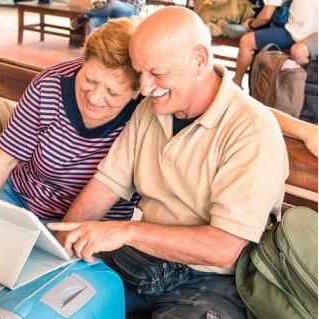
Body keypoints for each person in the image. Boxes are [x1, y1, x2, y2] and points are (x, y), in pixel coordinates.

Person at [48, 7, 291, 318]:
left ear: (200, 60)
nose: (145, 88)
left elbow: (222, 248)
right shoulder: (153, 108)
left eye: (157, 73)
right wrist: (60, 250)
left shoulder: (252, 129)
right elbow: (105, 184)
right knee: (48, 304)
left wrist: (127, 232)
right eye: (140, 73)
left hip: (212, 281)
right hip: (142, 262)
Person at [0, 17, 143, 221]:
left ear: (139, 90)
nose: (94, 97)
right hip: (22, 201)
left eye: (112, 92)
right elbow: (2, 162)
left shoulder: (145, 111)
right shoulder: (49, 85)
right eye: (90, 80)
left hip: (94, 225)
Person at [232, 0, 318, 87]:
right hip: (314, 36)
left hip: (296, 33)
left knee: (246, 41)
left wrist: (250, 24)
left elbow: (265, 16)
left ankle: (236, 82)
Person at [70, 0, 146, 34]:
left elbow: (115, 4)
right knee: (93, 21)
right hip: (112, 13)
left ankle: (86, 14)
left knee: (114, 4)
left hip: (131, 11)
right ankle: (93, 52)